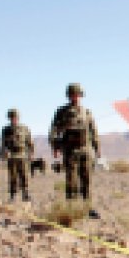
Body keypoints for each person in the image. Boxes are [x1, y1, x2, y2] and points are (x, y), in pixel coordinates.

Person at [49, 83, 101, 217]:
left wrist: (97, 148)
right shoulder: (61, 112)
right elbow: (54, 130)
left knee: (86, 179)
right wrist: (55, 146)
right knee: (71, 180)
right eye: (73, 94)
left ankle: (87, 208)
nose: (75, 97)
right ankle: (71, 208)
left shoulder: (86, 112)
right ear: (69, 96)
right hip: (70, 150)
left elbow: (93, 131)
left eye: (77, 95)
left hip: (85, 149)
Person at [0, 109, 34, 202]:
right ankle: (13, 195)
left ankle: (25, 194)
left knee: (24, 176)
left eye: (15, 117)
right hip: (11, 156)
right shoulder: (5, 130)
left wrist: (31, 153)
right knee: (13, 176)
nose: (13, 119)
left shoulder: (24, 129)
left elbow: (30, 142)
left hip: (22, 155)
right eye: (11, 117)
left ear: (18, 117)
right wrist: (3, 153)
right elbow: (3, 144)